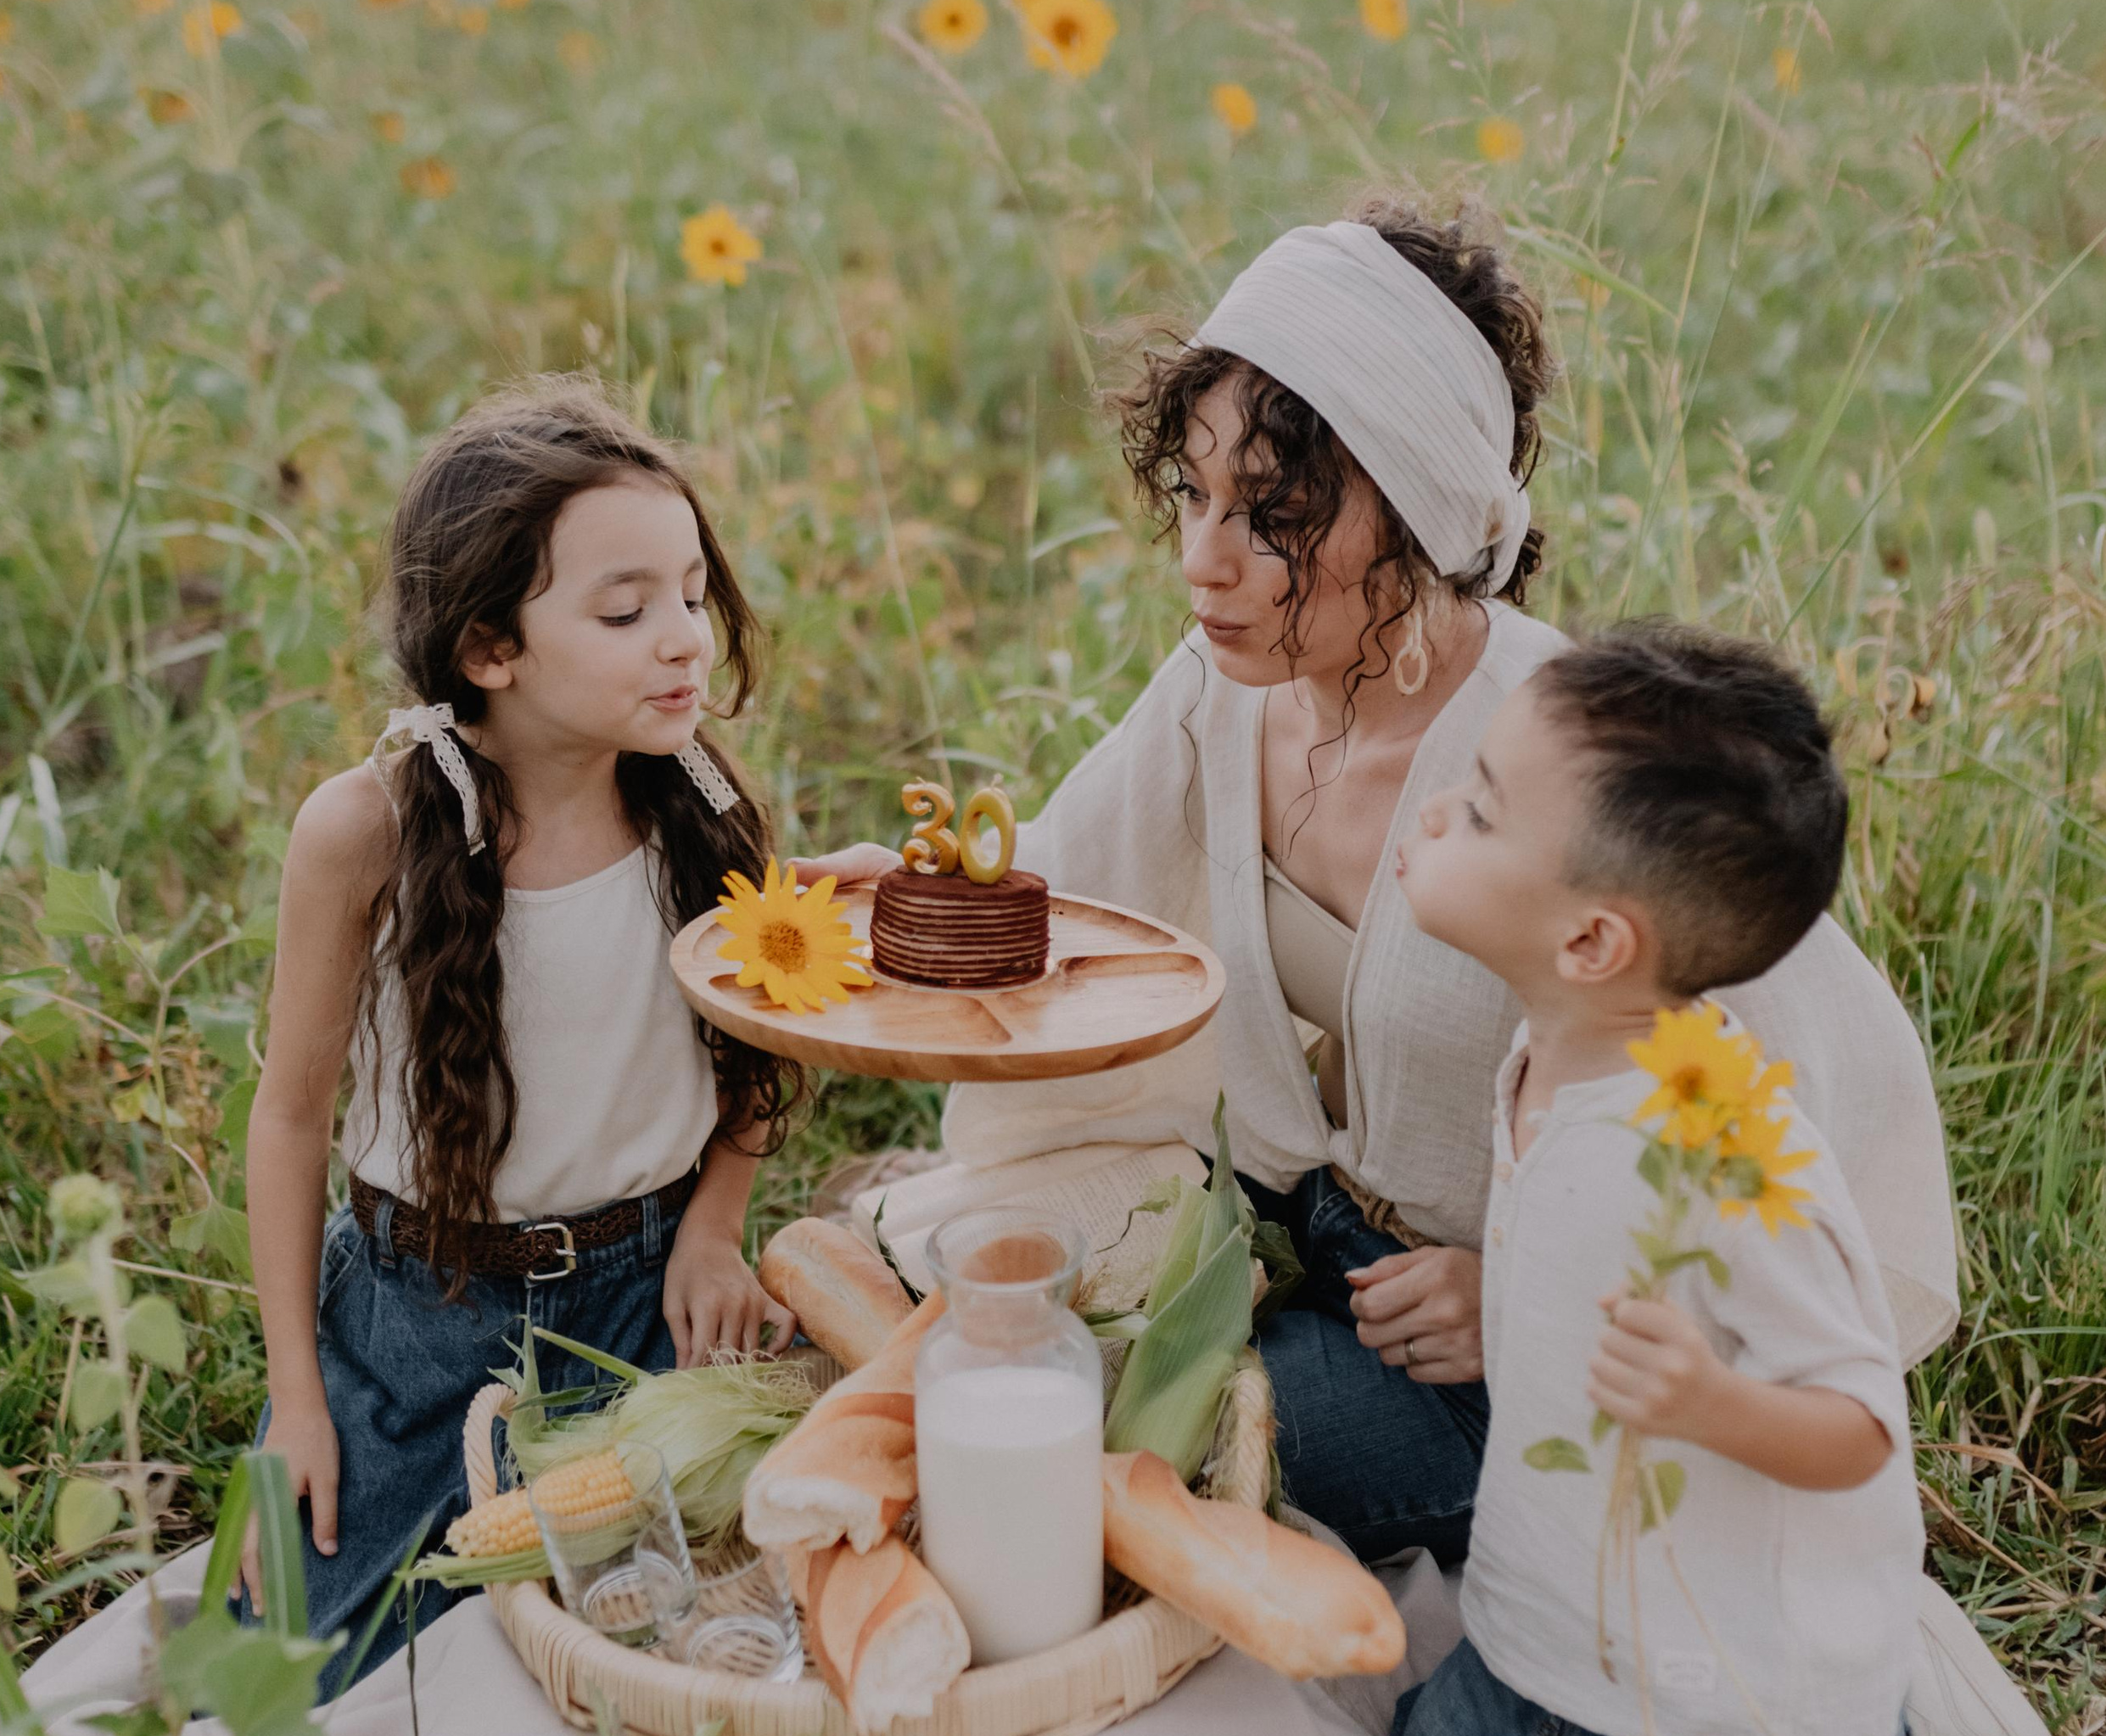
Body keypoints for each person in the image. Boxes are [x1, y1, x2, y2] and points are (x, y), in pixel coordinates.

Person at [815, 198, 1958, 1566]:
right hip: (1296, 1219)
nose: (1203, 561)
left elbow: (1801, 1134)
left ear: (1413, 512)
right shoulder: (1225, 689)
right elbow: (1073, 889)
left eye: (1273, 515)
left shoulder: (1563, 757)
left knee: (1099, 1439)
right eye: (1196, 495)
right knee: (964, 1310)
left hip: (1476, 1349)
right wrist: (912, 893)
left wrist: (1526, 1297)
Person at [242, 378, 798, 1693]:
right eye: (625, 611)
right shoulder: (366, 829)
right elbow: (287, 1116)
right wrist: (297, 1404)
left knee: (687, 1643)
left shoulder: (701, 811)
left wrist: (718, 1227)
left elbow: (763, 1036)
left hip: (638, 1293)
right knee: (318, 1681)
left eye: (690, 595)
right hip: (411, 1314)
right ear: (491, 647)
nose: (684, 644)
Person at [1387, 621, 1923, 1736]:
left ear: (1589, 938)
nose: (1436, 808)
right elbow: (1575, 1233)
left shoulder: (1730, 1144)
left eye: (1482, 809)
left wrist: (1716, 1402)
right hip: (1541, 1628)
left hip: (1703, 1705)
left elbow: (1861, 1420)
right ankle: (1537, 1717)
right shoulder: (1554, 1052)